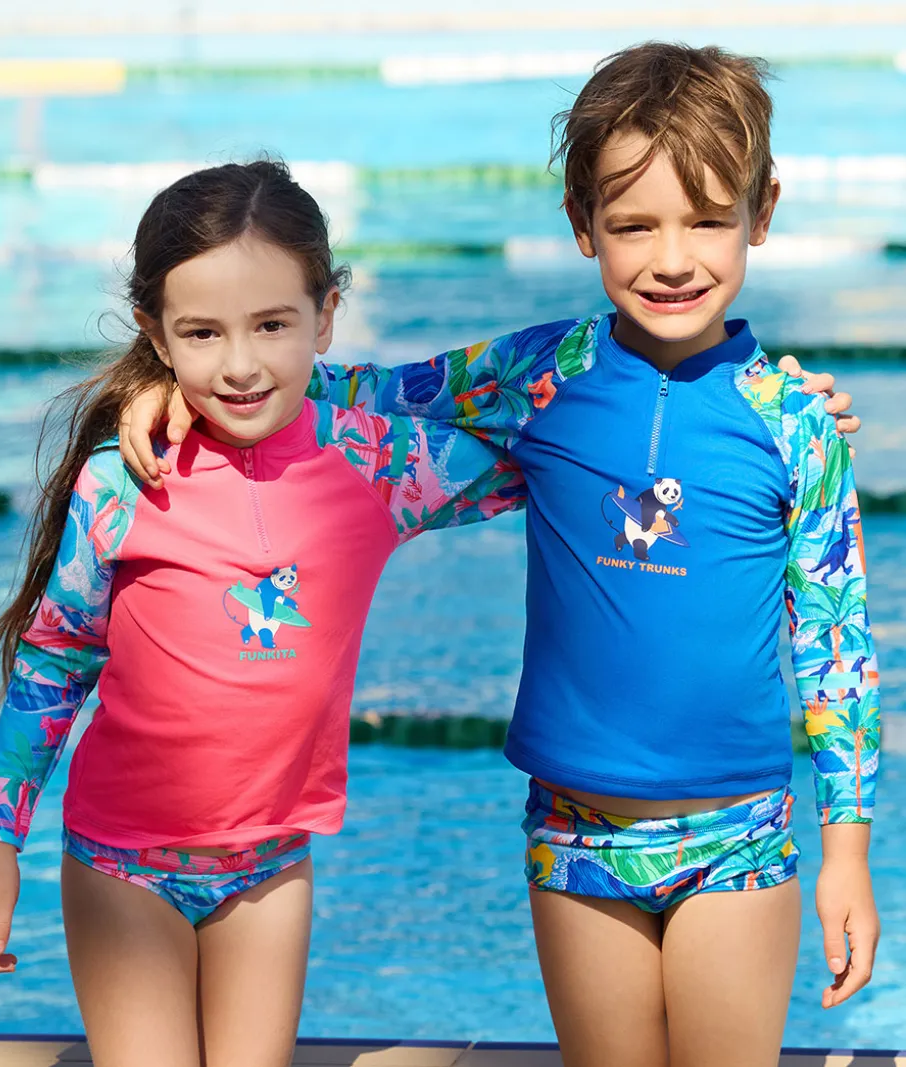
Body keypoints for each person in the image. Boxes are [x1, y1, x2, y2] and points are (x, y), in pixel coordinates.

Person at [119, 45, 879, 1067]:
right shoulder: (542, 372)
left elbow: (837, 647)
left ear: (762, 211)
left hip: (736, 834)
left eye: (706, 221)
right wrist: (163, 381)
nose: (672, 258)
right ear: (581, 222)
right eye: (634, 225)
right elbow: (346, 389)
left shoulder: (793, 423)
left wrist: (846, 853)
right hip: (572, 833)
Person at [0, 160, 523, 1067]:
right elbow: (56, 657)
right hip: (121, 865)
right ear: (155, 332)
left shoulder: (379, 466)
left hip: (269, 869)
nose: (241, 364)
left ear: (326, 315)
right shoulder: (123, 481)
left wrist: (334, 387)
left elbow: (546, 433)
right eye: (202, 333)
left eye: (272, 325)